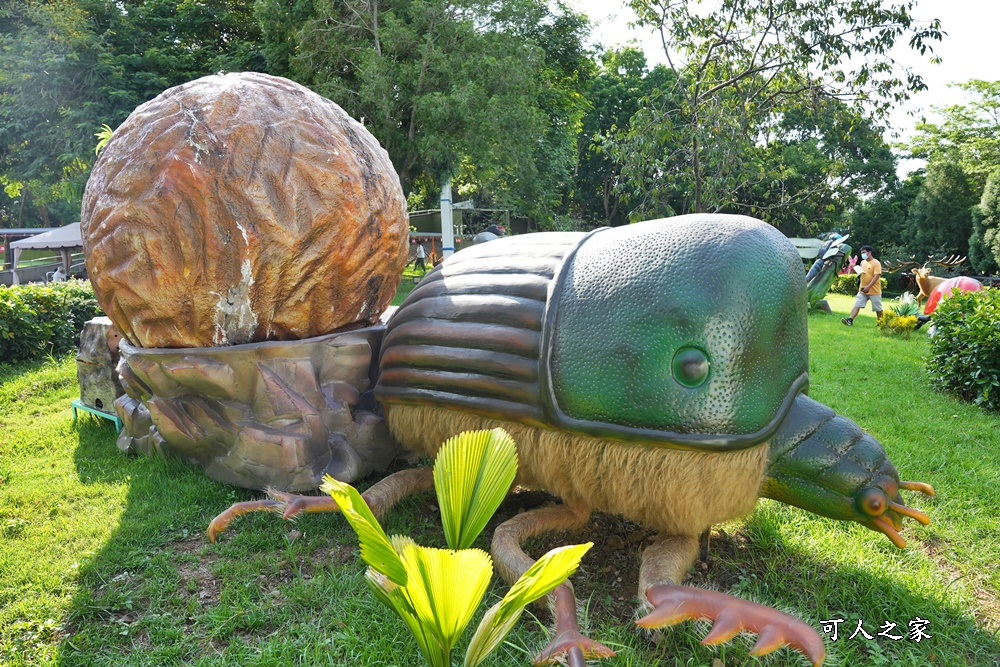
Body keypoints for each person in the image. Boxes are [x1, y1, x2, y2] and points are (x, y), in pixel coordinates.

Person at [841, 244, 882, 326]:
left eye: (864, 252)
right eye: (861, 253)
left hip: (874, 291)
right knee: (857, 305)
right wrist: (853, 268)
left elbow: (876, 276)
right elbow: (861, 273)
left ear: (869, 252)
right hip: (862, 290)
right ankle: (850, 320)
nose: (862, 254)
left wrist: (868, 287)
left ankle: (881, 323)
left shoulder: (876, 263)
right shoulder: (863, 262)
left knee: (878, 308)